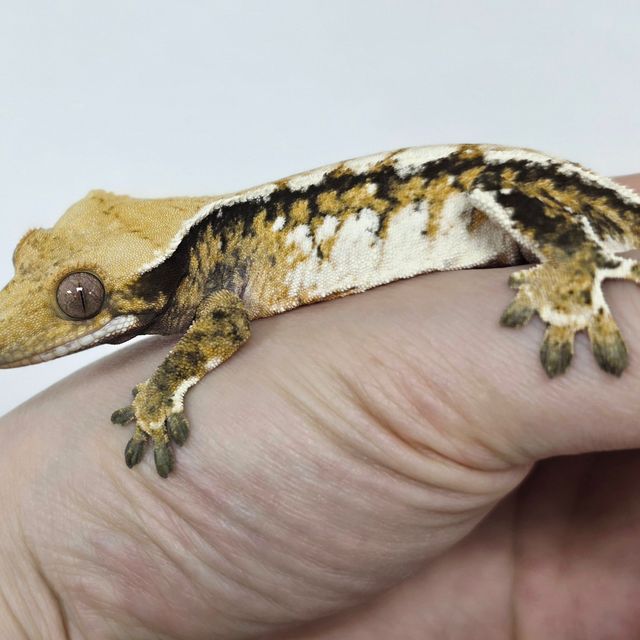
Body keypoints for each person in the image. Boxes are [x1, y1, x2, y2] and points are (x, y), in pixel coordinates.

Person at [1, 175, 639, 640]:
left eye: (80, 299)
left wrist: (162, 391)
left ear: (157, 271)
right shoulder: (209, 271)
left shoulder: (215, 276)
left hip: (513, 201)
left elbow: (223, 329)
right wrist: (35, 578)